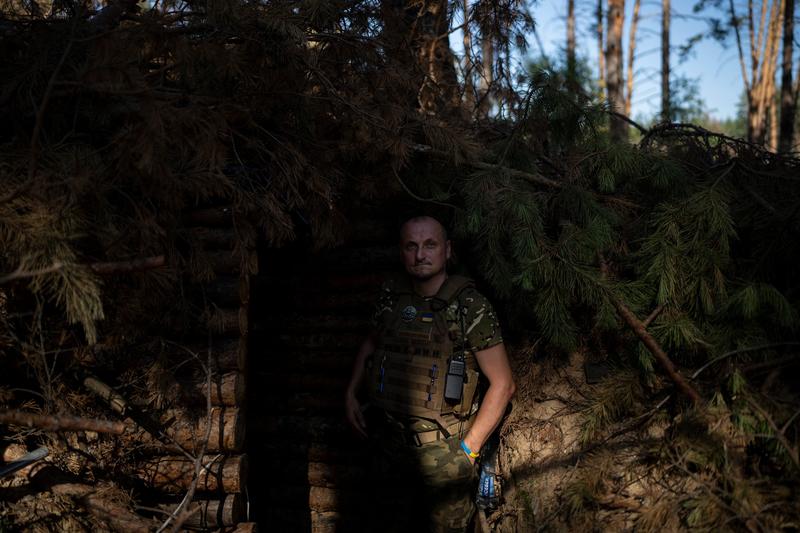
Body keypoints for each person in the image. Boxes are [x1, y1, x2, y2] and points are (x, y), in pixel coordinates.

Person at [345, 215, 516, 532]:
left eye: (429, 245)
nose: (420, 254)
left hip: (444, 454)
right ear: (401, 252)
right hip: (389, 446)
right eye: (411, 246)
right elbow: (372, 341)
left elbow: (503, 384)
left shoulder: (469, 306)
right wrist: (351, 393)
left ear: (447, 250)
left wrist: (468, 451)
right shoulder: (392, 298)